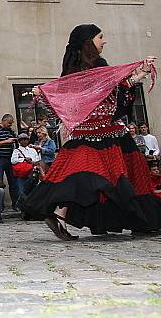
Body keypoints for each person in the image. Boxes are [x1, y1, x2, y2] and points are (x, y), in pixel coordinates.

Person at [22, 24, 160, 239]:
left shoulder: (85, 68)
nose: (104, 41)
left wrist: (140, 73)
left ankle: (61, 213)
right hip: (106, 135)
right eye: (100, 37)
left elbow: (116, 90)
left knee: (84, 176)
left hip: (92, 135)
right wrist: (45, 93)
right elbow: (70, 101)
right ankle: (61, 213)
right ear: (89, 42)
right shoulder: (80, 71)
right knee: (98, 177)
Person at [0, 114, 18, 211]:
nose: (10, 125)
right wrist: (6, 141)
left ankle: (15, 204)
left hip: (9, 158)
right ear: (4, 121)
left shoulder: (10, 131)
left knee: (13, 182)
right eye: (9, 123)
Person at [11, 133, 40, 197]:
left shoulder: (32, 150)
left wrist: (31, 162)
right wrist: (24, 159)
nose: (24, 141)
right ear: (19, 141)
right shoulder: (16, 151)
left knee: (33, 191)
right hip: (21, 174)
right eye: (21, 140)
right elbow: (13, 161)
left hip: (32, 173)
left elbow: (37, 160)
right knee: (22, 191)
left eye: (25, 139)